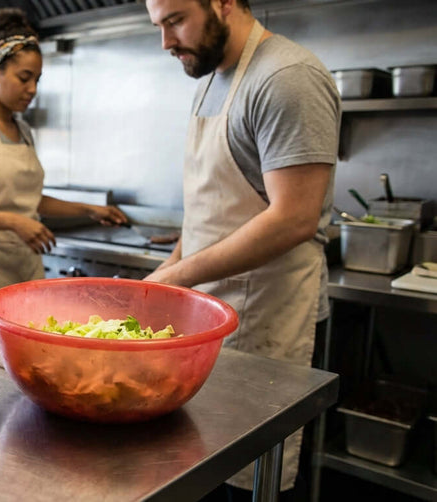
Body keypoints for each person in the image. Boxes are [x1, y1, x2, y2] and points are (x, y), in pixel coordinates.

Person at [141, 0, 339, 500]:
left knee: (252, 477)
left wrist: (177, 278)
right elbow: (207, 208)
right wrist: (170, 269)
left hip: (262, 321)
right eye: (158, 25)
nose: (166, 42)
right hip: (206, 320)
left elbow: (294, 216)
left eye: (175, 21)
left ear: (225, 3)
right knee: (202, 465)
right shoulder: (210, 79)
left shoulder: (287, 76)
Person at [0, 7, 127, 288]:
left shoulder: (22, 129)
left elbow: (28, 200)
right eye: (24, 78)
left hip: (25, 265)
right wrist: (15, 222)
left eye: (37, 79)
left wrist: (90, 209)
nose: (33, 88)